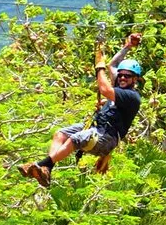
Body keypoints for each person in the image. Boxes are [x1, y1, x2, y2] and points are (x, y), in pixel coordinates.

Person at [18, 33, 143, 188]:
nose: (123, 78)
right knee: (60, 134)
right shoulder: (119, 85)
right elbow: (113, 65)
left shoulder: (131, 96)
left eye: (127, 76)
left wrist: (99, 68)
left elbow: (104, 89)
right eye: (121, 75)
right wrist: (127, 47)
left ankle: (43, 164)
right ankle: (47, 169)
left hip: (107, 137)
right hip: (97, 128)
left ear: (135, 79)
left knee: (76, 138)